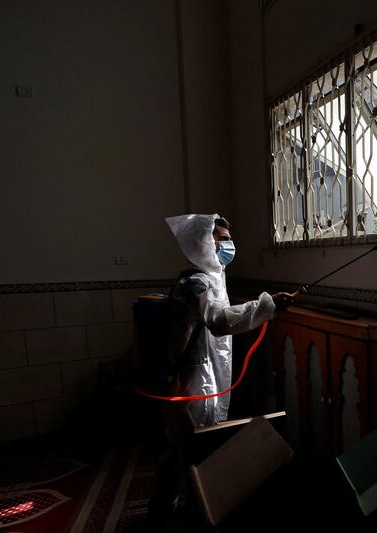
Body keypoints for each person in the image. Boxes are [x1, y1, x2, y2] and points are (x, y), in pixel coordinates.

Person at [147, 213, 295, 529]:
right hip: (192, 382)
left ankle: (167, 509)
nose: (228, 245)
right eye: (221, 240)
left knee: (184, 450)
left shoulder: (212, 278)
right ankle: (190, 513)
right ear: (203, 243)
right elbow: (219, 321)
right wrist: (267, 305)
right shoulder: (196, 284)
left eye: (228, 239)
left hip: (204, 376)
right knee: (189, 453)